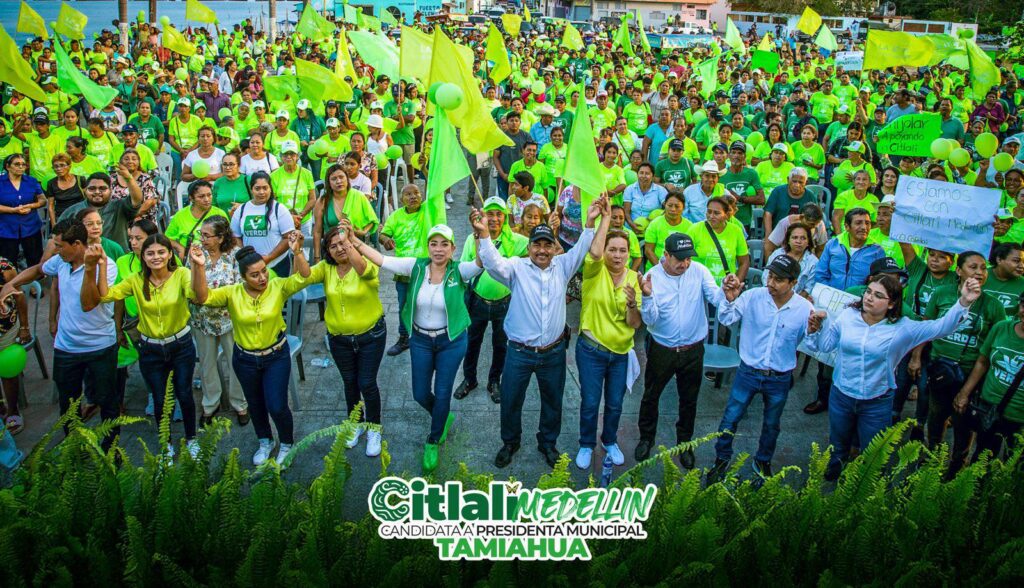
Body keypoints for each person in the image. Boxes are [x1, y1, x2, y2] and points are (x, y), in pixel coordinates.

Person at [804, 272, 981, 481]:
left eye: (878, 295)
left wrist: (963, 302)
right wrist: (815, 329)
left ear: (892, 303)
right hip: (841, 395)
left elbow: (941, 327)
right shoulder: (847, 317)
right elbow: (825, 346)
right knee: (838, 442)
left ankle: (867, 486)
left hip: (876, 402)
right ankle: (833, 475)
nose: (869, 297)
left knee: (873, 453)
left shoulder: (902, 328)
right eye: (868, 292)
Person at [477, 197, 604, 469]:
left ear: (554, 248)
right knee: (511, 400)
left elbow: (582, 247)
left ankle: (547, 443)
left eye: (548, 245)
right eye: (537, 244)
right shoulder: (516, 268)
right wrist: (484, 234)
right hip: (519, 353)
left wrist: (591, 221)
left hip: (553, 353)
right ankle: (510, 442)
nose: (542, 250)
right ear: (529, 247)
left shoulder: (564, 266)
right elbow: (492, 262)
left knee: (553, 402)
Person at [352, 222, 484, 473]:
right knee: (420, 393)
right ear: (428, 247)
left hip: (451, 342)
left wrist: (480, 236)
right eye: (434, 244)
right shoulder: (415, 266)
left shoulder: (459, 271)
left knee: (442, 393)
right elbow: (381, 260)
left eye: (444, 244)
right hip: (421, 340)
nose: (438, 249)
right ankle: (442, 416)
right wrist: (354, 241)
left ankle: (433, 440)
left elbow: (480, 263)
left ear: (453, 248)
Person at [81, 234, 205, 458]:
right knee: (159, 398)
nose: (156, 257)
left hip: (181, 345)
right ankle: (166, 445)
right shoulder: (136, 280)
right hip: (150, 349)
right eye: (150, 253)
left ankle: (191, 439)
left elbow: (197, 295)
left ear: (169, 254)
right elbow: (106, 296)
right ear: (143, 257)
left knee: (184, 394)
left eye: (161, 252)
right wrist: (100, 265)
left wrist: (198, 267)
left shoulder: (181, 274)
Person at [0, 219, 121, 450]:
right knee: (68, 404)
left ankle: (111, 451)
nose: (55, 250)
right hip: (67, 347)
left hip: (100, 346)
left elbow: (88, 303)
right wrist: (11, 284)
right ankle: (74, 449)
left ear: (77, 244)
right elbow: (38, 269)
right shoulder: (61, 262)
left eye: (59, 245)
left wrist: (89, 268)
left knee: (107, 401)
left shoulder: (106, 265)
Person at [191, 235, 310, 468]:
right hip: (245, 359)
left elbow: (303, 277)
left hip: (275, 356)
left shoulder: (277, 286)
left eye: (264, 271)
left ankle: (287, 443)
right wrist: (199, 267)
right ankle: (265, 440)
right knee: (255, 404)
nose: (262, 277)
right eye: (255, 275)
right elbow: (203, 297)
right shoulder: (232, 293)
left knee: (277, 405)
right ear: (243, 277)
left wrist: (297, 252)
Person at [707, 256, 817, 483]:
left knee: (771, 424)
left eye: (778, 279)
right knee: (730, 418)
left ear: (793, 283)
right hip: (747, 372)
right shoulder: (753, 297)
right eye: (770, 276)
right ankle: (721, 459)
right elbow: (727, 318)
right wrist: (729, 300)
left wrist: (816, 331)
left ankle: (763, 461)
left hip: (779, 378)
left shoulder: (804, 309)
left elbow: (814, 346)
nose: (771, 283)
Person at [636, 232, 726, 468]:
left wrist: (727, 293)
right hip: (662, 349)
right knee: (651, 395)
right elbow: (650, 320)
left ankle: (685, 443)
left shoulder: (699, 271)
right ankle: (646, 438)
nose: (685, 264)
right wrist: (647, 296)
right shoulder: (652, 277)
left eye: (688, 258)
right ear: (666, 255)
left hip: (693, 350)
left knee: (689, 399)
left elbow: (715, 297)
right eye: (679, 259)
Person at [304, 221, 386, 458]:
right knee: (349, 383)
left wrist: (349, 241)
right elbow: (305, 276)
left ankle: (374, 428)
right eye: (333, 246)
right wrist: (298, 252)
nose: (339, 249)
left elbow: (363, 270)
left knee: (367, 383)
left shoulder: (367, 261)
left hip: (371, 336)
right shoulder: (326, 268)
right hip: (339, 339)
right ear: (327, 251)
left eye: (343, 244)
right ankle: (355, 423)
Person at [923, 251, 1006, 476]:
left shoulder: (993, 306)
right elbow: (927, 327)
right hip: (940, 372)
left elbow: (989, 354)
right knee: (936, 417)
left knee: (963, 424)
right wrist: (915, 358)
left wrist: (966, 392)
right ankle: (932, 462)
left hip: (970, 375)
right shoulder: (941, 294)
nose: (979, 272)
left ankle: (957, 468)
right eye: (973, 267)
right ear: (958, 271)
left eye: (983, 268)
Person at [574, 208, 640, 470]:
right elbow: (594, 252)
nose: (617, 255)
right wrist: (605, 218)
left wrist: (633, 305)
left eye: (622, 250)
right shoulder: (594, 270)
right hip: (591, 351)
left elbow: (634, 324)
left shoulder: (635, 279)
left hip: (621, 353)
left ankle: (609, 440)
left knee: (615, 403)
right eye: (612, 249)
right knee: (590, 402)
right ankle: (586, 443)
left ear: (628, 253)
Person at [455, 197, 529, 404]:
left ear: (505, 217)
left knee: (501, 345)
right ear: (483, 216)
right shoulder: (472, 239)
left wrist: (553, 228)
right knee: (472, 343)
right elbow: (464, 270)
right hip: (477, 302)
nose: (494, 219)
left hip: (505, 304)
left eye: (499, 214)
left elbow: (544, 252)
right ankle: (469, 379)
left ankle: (494, 381)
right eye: (490, 214)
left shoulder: (517, 240)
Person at [188, 216, 248, 426]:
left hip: (229, 319)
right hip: (202, 318)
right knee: (207, 364)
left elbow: (239, 287)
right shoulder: (197, 254)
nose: (202, 239)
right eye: (201, 235)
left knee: (235, 362)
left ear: (221, 238)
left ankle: (240, 403)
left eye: (207, 235)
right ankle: (210, 404)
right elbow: (191, 284)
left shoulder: (234, 255)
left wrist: (211, 297)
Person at [954, 292, 1024, 462]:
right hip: (990, 409)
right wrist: (964, 393)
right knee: (981, 459)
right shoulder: (1002, 328)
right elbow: (982, 362)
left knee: (1014, 466)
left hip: (1020, 417)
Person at [230, 171, 297, 277]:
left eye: (265, 188)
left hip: (278, 264)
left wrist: (269, 257)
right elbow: (235, 236)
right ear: (251, 189)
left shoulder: (279, 209)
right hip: (251, 267)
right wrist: (246, 257)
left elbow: (288, 237)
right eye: (257, 188)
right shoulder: (241, 210)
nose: (261, 192)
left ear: (270, 188)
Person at [58, 170, 143, 253]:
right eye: (92, 189)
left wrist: (128, 178)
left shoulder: (121, 206)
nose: (97, 192)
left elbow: (137, 200)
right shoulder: (72, 211)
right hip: (81, 258)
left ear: (110, 190)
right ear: (85, 191)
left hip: (116, 257)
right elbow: (57, 237)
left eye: (102, 188)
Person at [311, 163, 378, 261]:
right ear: (328, 183)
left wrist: (363, 232)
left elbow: (373, 219)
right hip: (332, 250)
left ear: (347, 178)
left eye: (341, 177)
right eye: (334, 179)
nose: (338, 181)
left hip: (355, 247)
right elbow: (317, 231)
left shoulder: (359, 196)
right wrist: (317, 257)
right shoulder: (323, 201)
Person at [687, 197, 750, 285]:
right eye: (709, 212)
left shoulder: (736, 231)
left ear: (727, 215)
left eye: (716, 213)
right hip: (699, 286)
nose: (711, 216)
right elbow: (684, 259)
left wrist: (736, 283)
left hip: (726, 287)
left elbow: (744, 262)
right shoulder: (694, 229)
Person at [0, 154, 46, 268]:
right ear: (8, 166)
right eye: (17, 164)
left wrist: (31, 206)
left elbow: (42, 200)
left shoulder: (31, 181)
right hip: (6, 228)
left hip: (30, 226)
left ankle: (34, 279)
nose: (21, 167)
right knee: (7, 263)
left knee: (35, 260)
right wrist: (13, 210)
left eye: (23, 164)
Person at [0, 256, 29, 434]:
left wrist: (24, 327)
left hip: (5, 328)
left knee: (7, 369)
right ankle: (1, 408)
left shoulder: (4, 267)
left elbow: (19, 297)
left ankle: (13, 410)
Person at [165, 180, 229, 258]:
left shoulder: (219, 213)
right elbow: (167, 238)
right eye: (201, 196)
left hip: (215, 258)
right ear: (191, 198)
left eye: (209, 195)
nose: (207, 199)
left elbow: (229, 238)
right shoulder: (180, 215)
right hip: (190, 258)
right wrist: (180, 248)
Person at [763, 223, 818, 295]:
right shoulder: (777, 254)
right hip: (771, 294)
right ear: (788, 240)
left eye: (803, 238)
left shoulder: (813, 262)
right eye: (795, 237)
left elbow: (809, 288)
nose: (798, 241)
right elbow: (765, 276)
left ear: (808, 242)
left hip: (798, 299)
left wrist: (792, 300)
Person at [45, 153, 85, 223]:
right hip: (61, 218)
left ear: (69, 166)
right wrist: (54, 224)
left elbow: (88, 199)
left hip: (80, 217)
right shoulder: (51, 183)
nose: (59, 169)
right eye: (56, 166)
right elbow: (51, 206)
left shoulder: (80, 180)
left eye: (62, 165)